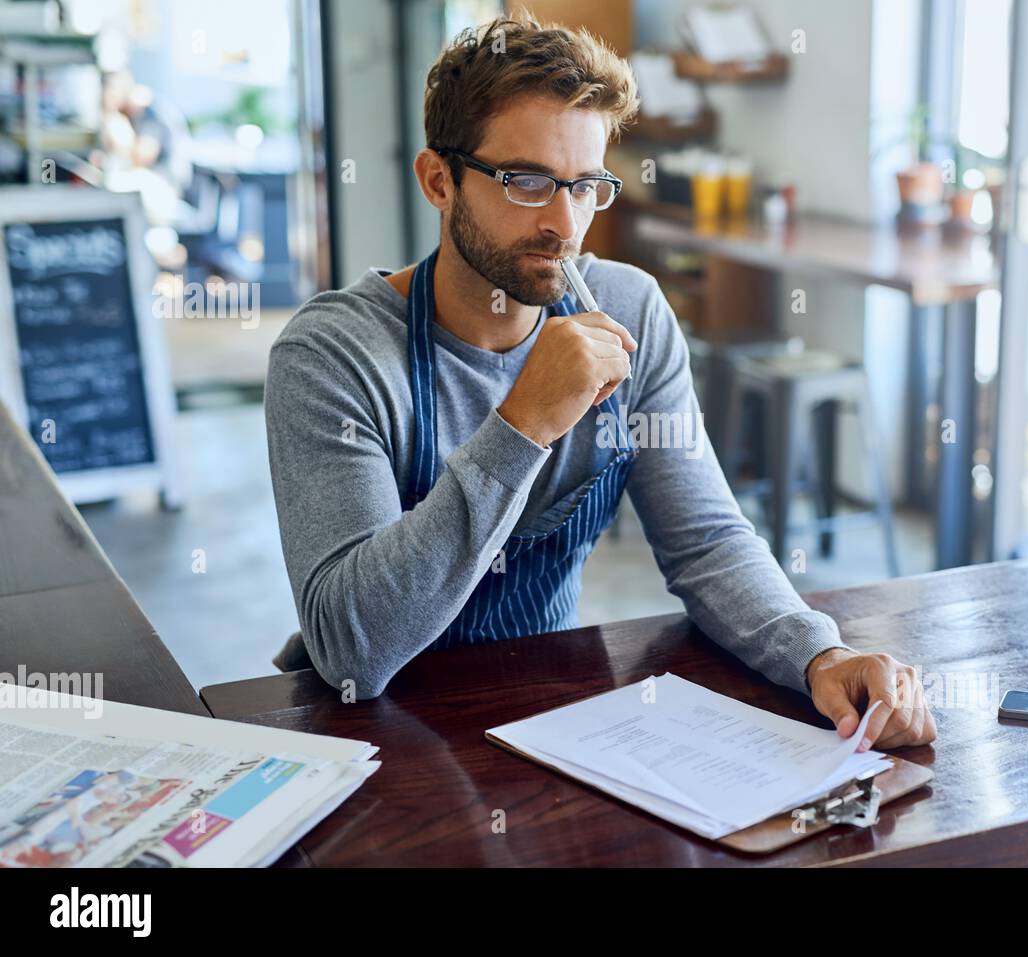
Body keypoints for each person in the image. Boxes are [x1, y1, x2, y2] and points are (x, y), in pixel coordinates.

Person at [265, 11, 935, 752]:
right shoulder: (334, 355)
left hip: (551, 720)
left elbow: (706, 541)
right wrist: (522, 424)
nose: (565, 223)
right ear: (438, 180)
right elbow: (354, 650)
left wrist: (819, 652)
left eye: (585, 186)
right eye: (526, 182)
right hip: (373, 742)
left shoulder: (629, 312)